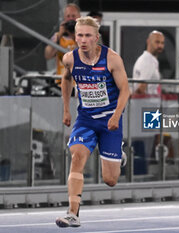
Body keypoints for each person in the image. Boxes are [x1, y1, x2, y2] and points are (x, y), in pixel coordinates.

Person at [55, 16, 130, 228]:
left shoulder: (112, 59)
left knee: (110, 180)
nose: (83, 40)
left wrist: (116, 115)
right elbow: (67, 78)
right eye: (79, 35)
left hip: (109, 122)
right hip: (85, 119)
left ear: (96, 37)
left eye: (88, 35)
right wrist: (67, 109)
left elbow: (125, 90)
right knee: (77, 156)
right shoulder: (70, 59)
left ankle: (118, 152)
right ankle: (73, 213)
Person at [44, 3, 81, 76]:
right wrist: (60, 34)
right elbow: (48, 55)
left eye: (73, 16)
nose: (70, 18)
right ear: (64, 18)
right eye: (68, 16)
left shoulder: (86, 35)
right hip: (62, 80)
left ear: (79, 17)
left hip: (79, 81)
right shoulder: (58, 36)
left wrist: (74, 35)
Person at [132, 31, 165, 95]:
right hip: (146, 102)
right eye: (157, 42)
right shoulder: (148, 61)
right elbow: (140, 89)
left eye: (162, 43)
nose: (160, 46)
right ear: (148, 41)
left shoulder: (149, 59)